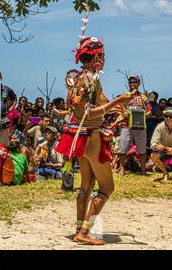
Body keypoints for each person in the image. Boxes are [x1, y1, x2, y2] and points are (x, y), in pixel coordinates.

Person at [55, 35, 133, 245]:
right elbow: (87, 115)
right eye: (103, 55)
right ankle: (84, 233)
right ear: (96, 57)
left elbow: (96, 106)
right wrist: (119, 100)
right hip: (92, 138)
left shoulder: (85, 78)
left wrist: (114, 106)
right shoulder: (88, 80)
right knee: (107, 187)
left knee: (86, 187)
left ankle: (80, 229)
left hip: (84, 138)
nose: (105, 59)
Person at [117, 75, 152, 175]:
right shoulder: (124, 96)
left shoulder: (143, 97)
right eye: (131, 82)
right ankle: (122, 169)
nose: (132, 84)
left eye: (135, 82)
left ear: (139, 83)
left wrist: (142, 116)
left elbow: (150, 111)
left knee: (142, 150)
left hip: (140, 127)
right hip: (126, 126)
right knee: (122, 149)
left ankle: (143, 170)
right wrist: (124, 114)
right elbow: (118, 110)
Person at [150, 107, 172, 182]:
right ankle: (165, 173)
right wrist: (157, 146)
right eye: (166, 116)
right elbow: (152, 143)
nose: (168, 118)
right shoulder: (159, 127)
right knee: (153, 155)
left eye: (171, 116)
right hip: (164, 150)